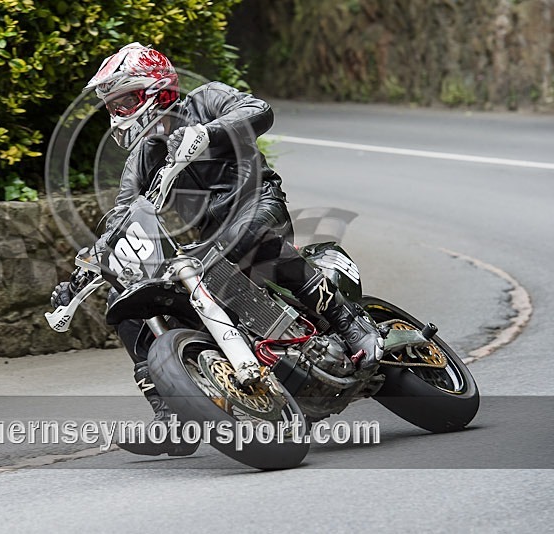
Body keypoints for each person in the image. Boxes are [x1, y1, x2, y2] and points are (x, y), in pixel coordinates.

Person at [51, 43, 383, 456]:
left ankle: (348, 320)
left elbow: (258, 109)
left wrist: (207, 133)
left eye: (126, 101)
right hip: (210, 236)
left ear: (159, 90)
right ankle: (171, 413)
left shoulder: (206, 99)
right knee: (129, 300)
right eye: (112, 106)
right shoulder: (142, 156)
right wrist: (82, 273)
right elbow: (123, 213)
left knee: (246, 242)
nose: (119, 113)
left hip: (256, 202)